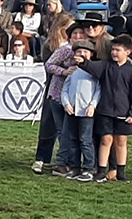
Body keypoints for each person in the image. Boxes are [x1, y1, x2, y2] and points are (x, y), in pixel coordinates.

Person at [75, 35, 132, 182]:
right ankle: (101, 170)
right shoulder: (105, 66)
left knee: (121, 141)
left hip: (124, 113)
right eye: (112, 50)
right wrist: (82, 61)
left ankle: (121, 171)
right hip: (105, 111)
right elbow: (91, 66)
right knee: (105, 140)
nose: (114, 53)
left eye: (117, 50)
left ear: (128, 52)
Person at [34, 19, 82, 174]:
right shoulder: (65, 50)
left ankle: (71, 161)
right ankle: (62, 161)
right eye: (75, 34)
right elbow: (49, 64)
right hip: (57, 94)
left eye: (80, 33)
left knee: (72, 130)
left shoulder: (87, 51)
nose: (78, 36)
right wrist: (63, 71)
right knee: (61, 130)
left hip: (77, 96)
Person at [58, 40, 100, 182]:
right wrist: (66, 104)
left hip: (86, 111)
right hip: (72, 110)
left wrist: (93, 105)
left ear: (91, 55)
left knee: (86, 140)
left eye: (85, 52)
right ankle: (75, 166)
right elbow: (65, 89)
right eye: (78, 52)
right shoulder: (73, 71)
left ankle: (89, 167)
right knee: (72, 139)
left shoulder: (93, 72)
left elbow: (98, 91)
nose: (81, 54)